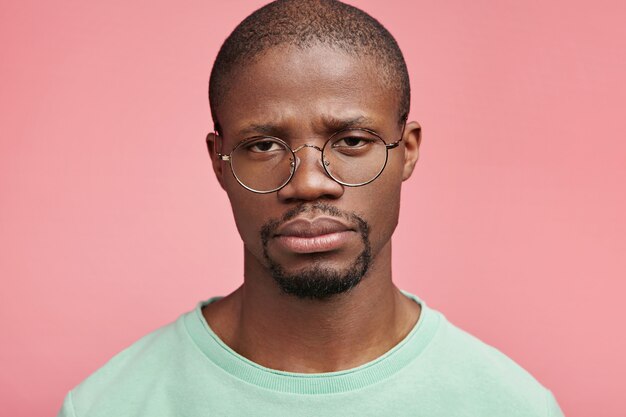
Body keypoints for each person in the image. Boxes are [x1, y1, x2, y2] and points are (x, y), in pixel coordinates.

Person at [57, 0, 564, 416]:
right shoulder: (109, 405)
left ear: (406, 150)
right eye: (263, 146)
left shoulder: (510, 406)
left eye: (351, 140)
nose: (309, 184)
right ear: (218, 161)